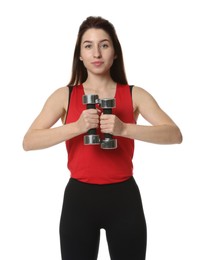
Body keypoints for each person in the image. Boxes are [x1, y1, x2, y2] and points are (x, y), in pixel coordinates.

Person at [23, 16, 182, 260]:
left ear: (115, 52)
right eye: (88, 46)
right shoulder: (63, 95)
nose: (96, 53)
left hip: (124, 199)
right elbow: (29, 141)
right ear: (80, 54)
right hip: (79, 200)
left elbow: (174, 134)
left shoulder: (134, 94)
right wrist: (76, 127)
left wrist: (125, 129)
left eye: (104, 45)